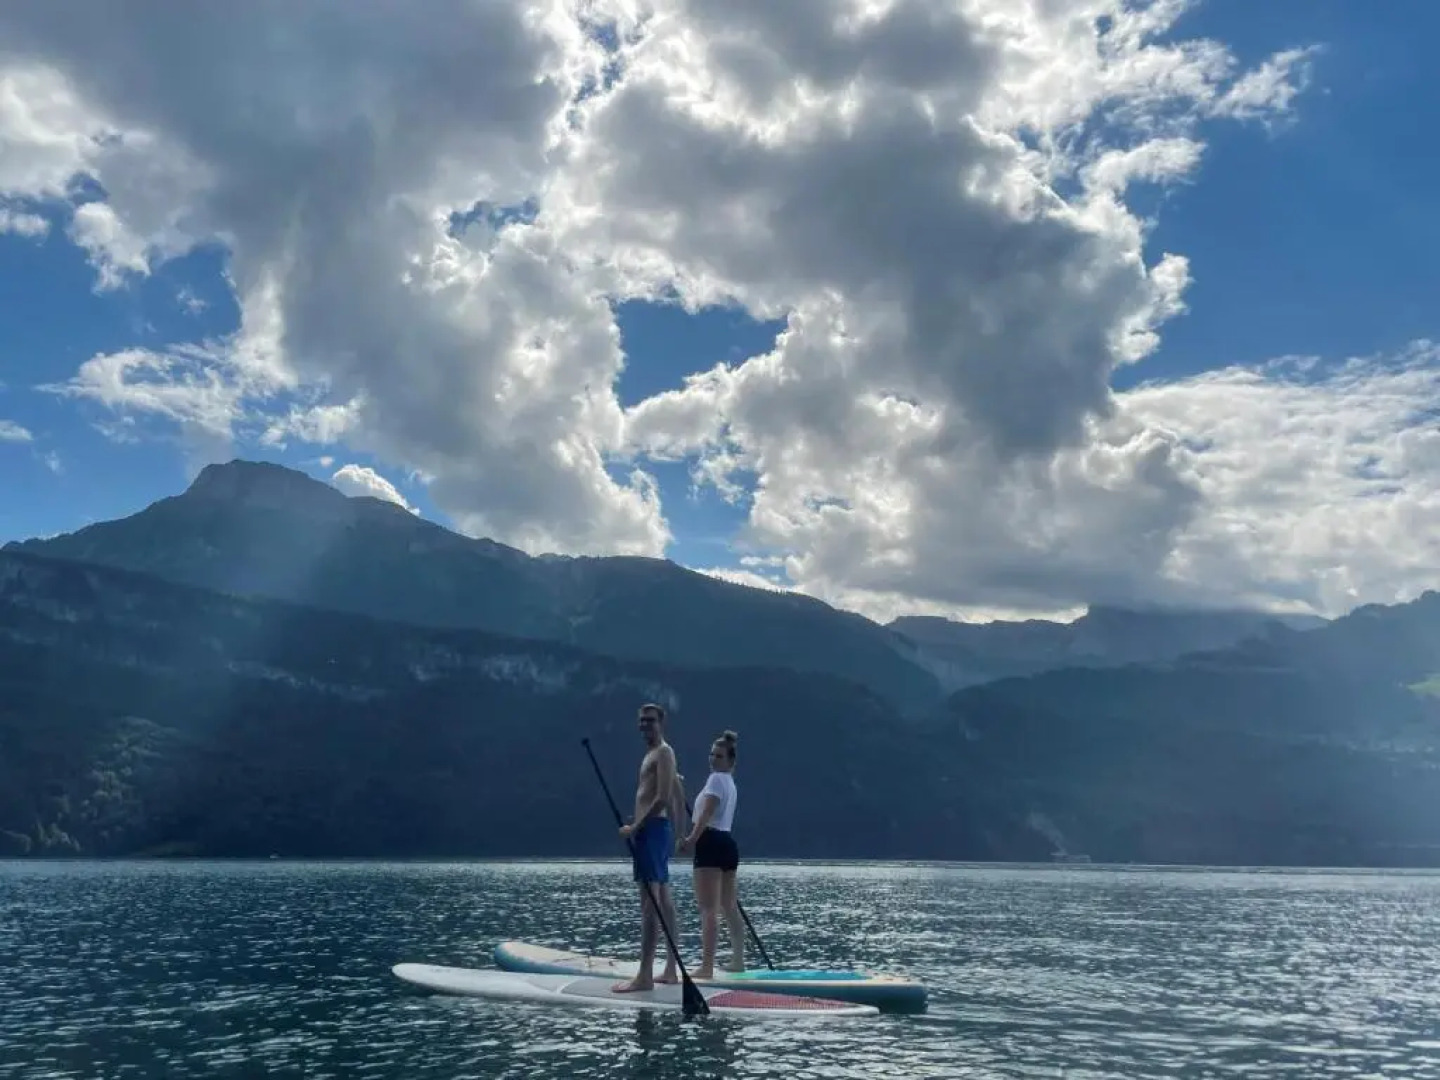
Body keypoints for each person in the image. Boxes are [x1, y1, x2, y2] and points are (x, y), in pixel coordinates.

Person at [612, 702, 686, 993]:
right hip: (655, 831)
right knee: (664, 902)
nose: (645, 725)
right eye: (641, 720)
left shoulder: (664, 752)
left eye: (650, 720)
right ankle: (670, 969)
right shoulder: (654, 754)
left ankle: (644, 976)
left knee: (649, 905)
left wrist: (635, 827)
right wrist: (680, 833)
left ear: (662, 722)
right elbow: (679, 794)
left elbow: (663, 799)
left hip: (652, 831)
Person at [679, 729, 744, 979]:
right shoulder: (730, 783)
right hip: (727, 843)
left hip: (710, 841)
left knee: (708, 908)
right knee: (728, 906)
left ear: (730, 761)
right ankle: (738, 960)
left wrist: (690, 840)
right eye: (711, 754)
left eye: (719, 756)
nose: (713, 759)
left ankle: (706, 966)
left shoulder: (716, 779)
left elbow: (706, 813)